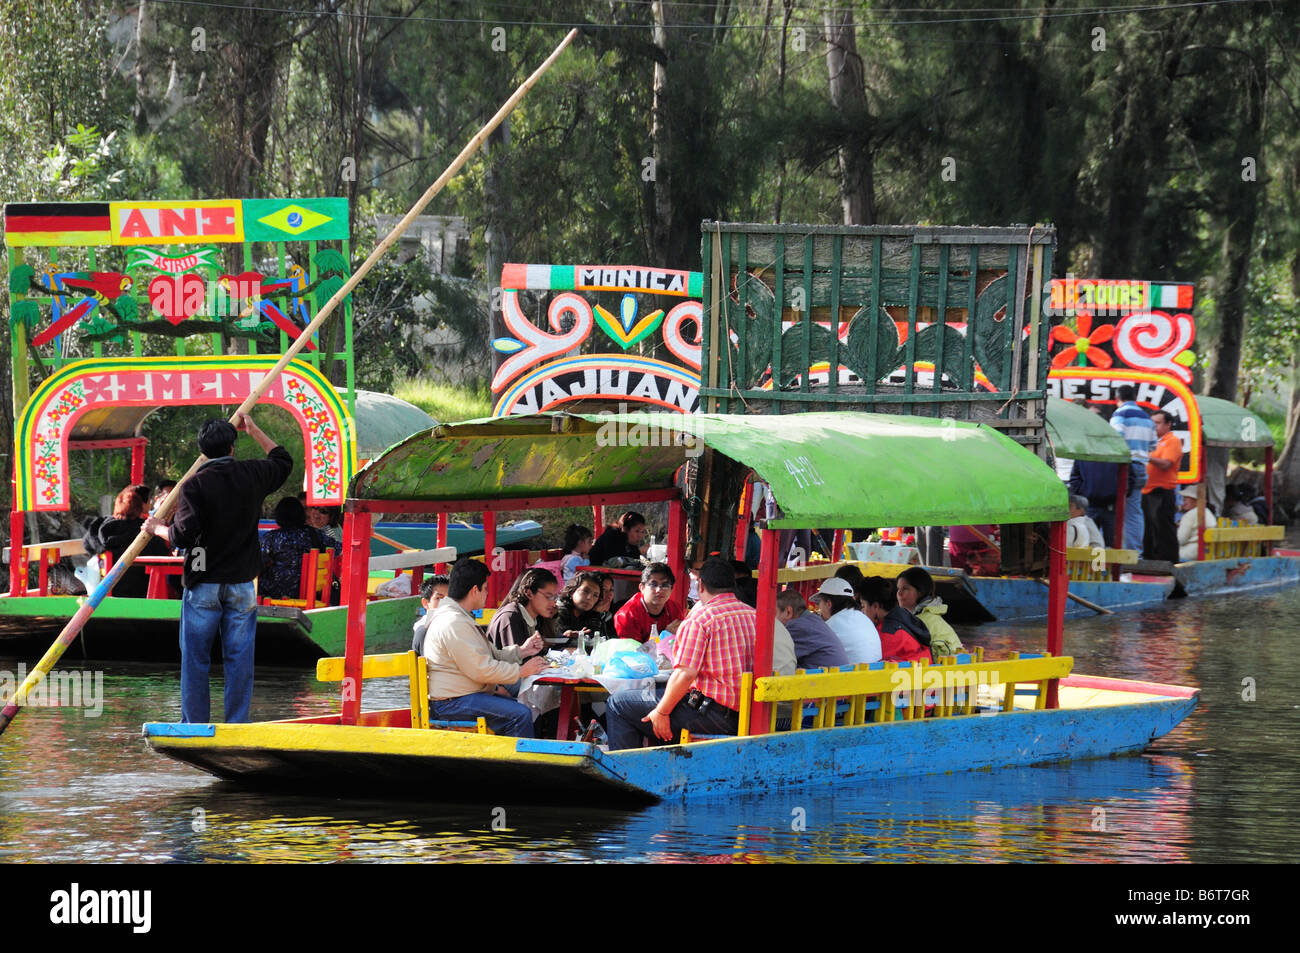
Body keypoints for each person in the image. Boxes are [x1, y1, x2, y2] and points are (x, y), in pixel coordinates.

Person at [144, 414, 292, 723]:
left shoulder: (194, 485)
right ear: (233, 447)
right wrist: (255, 430)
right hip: (241, 580)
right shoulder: (252, 473)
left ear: (202, 451)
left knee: (196, 658)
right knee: (239, 659)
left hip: (203, 574)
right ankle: (237, 723)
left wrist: (157, 527)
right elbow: (282, 459)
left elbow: (182, 537)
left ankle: (195, 724)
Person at [605, 557, 755, 749]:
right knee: (657, 701)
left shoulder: (700, 619)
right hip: (747, 714)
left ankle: (623, 773)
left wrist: (661, 712)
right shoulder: (752, 615)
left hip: (712, 715)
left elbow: (685, 673)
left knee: (618, 704)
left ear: (700, 585)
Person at [423, 558, 549, 737]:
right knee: (520, 714)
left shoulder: (460, 617)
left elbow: (491, 655)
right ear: (475, 590)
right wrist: (521, 670)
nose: (487, 594)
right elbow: (482, 669)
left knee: (525, 698)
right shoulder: (453, 622)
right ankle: (519, 763)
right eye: (485, 588)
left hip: (466, 694)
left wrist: (522, 651)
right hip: (453, 702)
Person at [98, 484, 173, 598]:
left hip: (109, 590)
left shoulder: (102, 530)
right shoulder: (147, 531)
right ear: (140, 506)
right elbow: (165, 556)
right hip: (142, 592)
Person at [258, 496, 339, 600]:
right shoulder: (314, 534)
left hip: (275, 595)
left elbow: (257, 564)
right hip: (311, 594)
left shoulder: (271, 538)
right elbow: (339, 550)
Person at [1110, 385, 1155, 550]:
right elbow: (1153, 446)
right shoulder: (1147, 418)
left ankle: (1111, 552)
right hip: (1141, 468)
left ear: (1117, 399)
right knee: (1134, 512)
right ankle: (1135, 553)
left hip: (1123, 469)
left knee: (1111, 511)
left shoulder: (1119, 415)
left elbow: (1116, 441)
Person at [487, 567, 561, 650]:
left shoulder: (536, 617)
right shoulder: (511, 617)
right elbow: (518, 660)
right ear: (529, 593)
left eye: (555, 597)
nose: (554, 603)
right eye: (548, 596)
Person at [895, 567, 962, 659]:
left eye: (905, 588)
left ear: (920, 592)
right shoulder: (927, 615)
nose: (899, 593)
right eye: (898, 589)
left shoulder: (920, 620)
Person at [811, 577, 881, 664]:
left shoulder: (831, 625)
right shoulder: (864, 618)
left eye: (819, 603)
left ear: (828, 604)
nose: (819, 608)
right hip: (875, 674)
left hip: (851, 676)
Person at [776, 587, 850, 670]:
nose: (774, 619)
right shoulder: (813, 620)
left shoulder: (797, 626)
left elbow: (776, 655)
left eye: (775, 613)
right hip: (835, 677)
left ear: (788, 612)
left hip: (824, 680)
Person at [1142, 410, 1181, 563]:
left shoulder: (1173, 441)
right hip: (1146, 490)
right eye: (1152, 423)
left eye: (1158, 423)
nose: (1154, 426)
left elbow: (1166, 464)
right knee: (1148, 528)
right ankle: (1149, 558)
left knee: (1163, 528)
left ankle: (1168, 561)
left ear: (1168, 424)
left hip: (1162, 490)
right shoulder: (1151, 441)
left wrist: (1148, 457)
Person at [865, 576, 931, 663]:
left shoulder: (886, 633)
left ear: (875, 606)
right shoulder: (905, 617)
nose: (861, 612)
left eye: (863, 606)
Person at [614, 562, 685, 642]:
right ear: (642, 588)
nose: (659, 590)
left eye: (665, 585)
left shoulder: (675, 609)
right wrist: (665, 636)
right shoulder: (626, 615)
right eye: (653, 584)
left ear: (671, 590)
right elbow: (633, 652)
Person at [1068, 459, 1119, 547]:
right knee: (1087, 540)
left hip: (1110, 505)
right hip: (1091, 504)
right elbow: (1075, 477)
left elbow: (1129, 478)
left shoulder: (1117, 453)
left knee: (1110, 542)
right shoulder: (1083, 454)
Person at [555, 570, 613, 643]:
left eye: (595, 595)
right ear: (572, 591)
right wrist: (564, 635)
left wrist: (596, 615)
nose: (589, 598)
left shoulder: (591, 615)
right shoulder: (558, 610)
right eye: (585, 591)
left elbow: (596, 639)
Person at [410, 573, 450, 655]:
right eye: (439, 598)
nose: (446, 603)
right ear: (425, 603)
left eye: (450, 598)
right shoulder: (424, 632)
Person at [1176, 485, 1211, 562]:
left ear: (1196, 500)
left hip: (1189, 554)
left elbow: (1180, 540)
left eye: (1186, 498)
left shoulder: (1189, 515)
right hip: (1207, 553)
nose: (1183, 501)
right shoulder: (1208, 512)